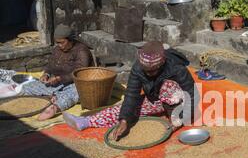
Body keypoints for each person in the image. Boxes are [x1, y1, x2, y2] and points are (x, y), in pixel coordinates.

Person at [63, 41, 198, 140]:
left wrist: (179, 119)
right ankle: (87, 121)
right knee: (125, 110)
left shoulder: (176, 68)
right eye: (147, 71)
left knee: (167, 86)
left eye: (153, 71)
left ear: (162, 64)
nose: (149, 74)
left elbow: (193, 95)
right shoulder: (138, 68)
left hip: (178, 103)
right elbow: (131, 94)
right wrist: (124, 120)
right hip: (155, 99)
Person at [21, 24, 93, 120]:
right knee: (27, 87)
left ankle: (55, 107)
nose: (59, 45)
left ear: (70, 40)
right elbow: (50, 65)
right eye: (57, 43)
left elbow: (80, 72)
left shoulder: (82, 51)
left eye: (62, 42)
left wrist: (60, 78)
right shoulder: (57, 50)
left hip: (75, 84)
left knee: (76, 93)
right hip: (58, 83)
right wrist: (46, 74)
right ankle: (51, 96)